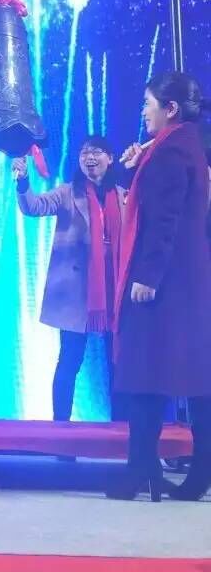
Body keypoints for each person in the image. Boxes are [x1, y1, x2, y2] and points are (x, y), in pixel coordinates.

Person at [107, 71, 211, 502]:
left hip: (166, 283)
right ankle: (159, 470)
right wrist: (134, 166)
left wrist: (147, 277)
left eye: (148, 104)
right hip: (184, 281)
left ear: (171, 109)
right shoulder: (182, 144)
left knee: (148, 373)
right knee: (176, 376)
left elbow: (164, 221)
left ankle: (143, 469)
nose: (142, 112)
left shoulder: (172, 151)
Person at [12, 135, 125, 424]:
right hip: (77, 292)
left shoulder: (123, 196)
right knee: (70, 360)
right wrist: (23, 182)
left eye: (96, 152)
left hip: (114, 290)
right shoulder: (67, 193)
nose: (90, 157)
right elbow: (33, 207)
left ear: (110, 158)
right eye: (84, 153)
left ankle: (122, 428)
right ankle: (60, 427)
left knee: (119, 362)